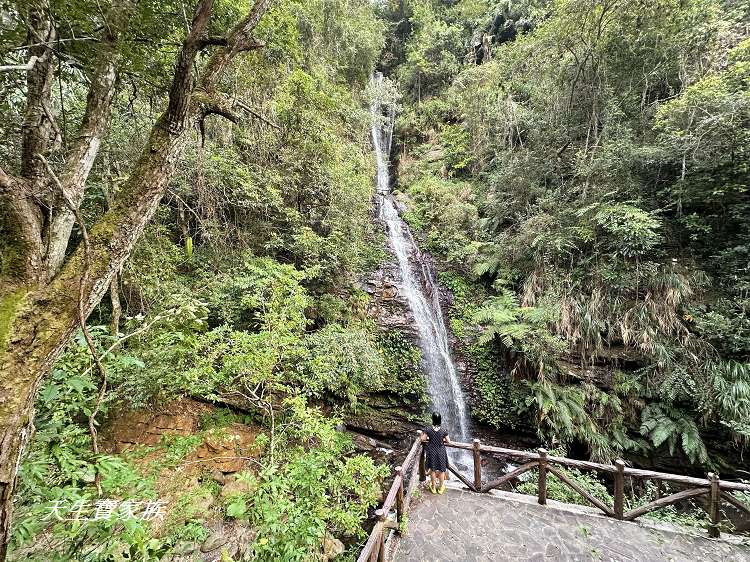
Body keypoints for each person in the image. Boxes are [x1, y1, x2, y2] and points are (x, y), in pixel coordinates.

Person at [421, 411, 449, 494]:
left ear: (432, 419)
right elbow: (448, 441)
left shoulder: (428, 429)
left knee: (432, 470)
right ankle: (440, 488)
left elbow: (423, 439)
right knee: (441, 470)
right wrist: (442, 439)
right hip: (441, 451)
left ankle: (433, 487)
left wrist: (422, 434)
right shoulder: (444, 430)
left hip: (431, 451)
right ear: (440, 420)